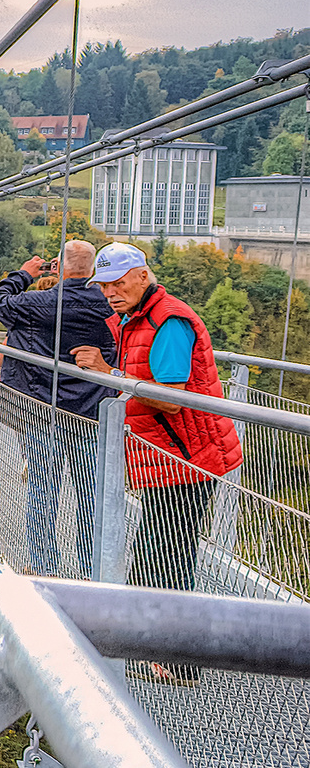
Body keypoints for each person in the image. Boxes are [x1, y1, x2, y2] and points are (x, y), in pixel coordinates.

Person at [72, 242, 242, 686]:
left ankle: (167, 657)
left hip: (186, 457)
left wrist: (108, 372)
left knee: (165, 555)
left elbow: (167, 399)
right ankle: (152, 650)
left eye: (117, 282)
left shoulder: (169, 321)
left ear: (142, 276)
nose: (109, 292)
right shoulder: (138, 318)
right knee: (159, 553)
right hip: (169, 456)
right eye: (103, 285)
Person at [0, 239, 117, 577]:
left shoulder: (38, 302)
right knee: (90, 497)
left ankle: (44, 567)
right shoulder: (110, 307)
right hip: (90, 414)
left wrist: (24, 274)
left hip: (42, 411)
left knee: (43, 492)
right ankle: (91, 571)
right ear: (92, 270)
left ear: (57, 266)